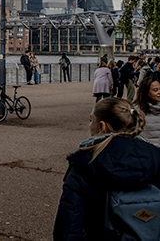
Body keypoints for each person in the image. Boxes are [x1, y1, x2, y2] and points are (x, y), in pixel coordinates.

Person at [53, 98, 160, 240]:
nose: (90, 125)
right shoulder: (155, 156)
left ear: (102, 126)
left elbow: (71, 219)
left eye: (92, 120)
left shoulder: (86, 161)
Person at [133, 76, 160, 147]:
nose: (159, 92)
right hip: (145, 150)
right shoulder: (137, 110)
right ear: (146, 91)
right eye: (155, 90)